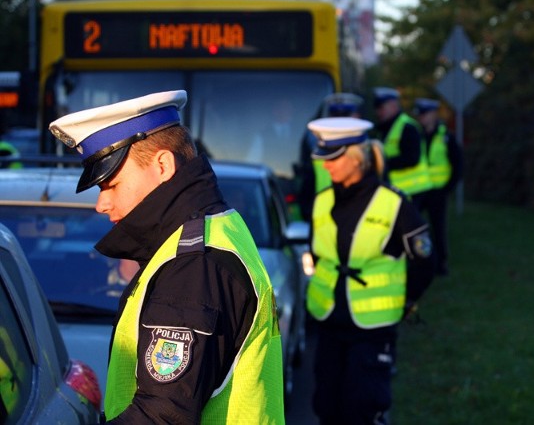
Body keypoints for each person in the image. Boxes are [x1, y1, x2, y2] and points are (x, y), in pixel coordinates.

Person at [48, 90, 285, 424]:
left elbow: (163, 416)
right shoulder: (212, 228)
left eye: (110, 184)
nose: (101, 204)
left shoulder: (193, 264)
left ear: (162, 165)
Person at [305, 116, 435, 424]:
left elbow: (424, 261)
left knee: (363, 408)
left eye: (333, 158)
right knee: (327, 407)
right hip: (329, 320)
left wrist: (405, 301)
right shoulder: (322, 201)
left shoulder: (394, 203)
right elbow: (316, 253)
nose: (326, 166)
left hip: (373, 329)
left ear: (356, 158)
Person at [413, 98, 463, 276]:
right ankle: (418, 260)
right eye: (420, 115)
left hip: (437, 191)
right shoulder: (416, 135)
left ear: (434, 114)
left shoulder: (446, 136)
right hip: (419, 189)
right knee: (415, 226)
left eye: (425, 115)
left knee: (438, 228)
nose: (422, 118)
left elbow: (458, 164)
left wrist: (447, 188)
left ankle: (441, 264)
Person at [297, 92, 364, 221]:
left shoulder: (314, 141)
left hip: (329, 210)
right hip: (325, 211)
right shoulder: (363, 145)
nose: (328, 163)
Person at [371, 87, 431, 202]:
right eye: (377, 108)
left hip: (413, 189)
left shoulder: (408, 127)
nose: (378, 112)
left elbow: (412, 158)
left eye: (381, 108)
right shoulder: (384, 128)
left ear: (393, 106)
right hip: (397, 189)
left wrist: (382, 163)